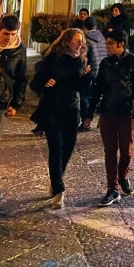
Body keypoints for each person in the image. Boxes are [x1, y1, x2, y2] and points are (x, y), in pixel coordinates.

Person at [30, 29, 91, 209]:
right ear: (66, 42)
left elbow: (81, 89)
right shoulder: (52, 59)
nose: (80, 44)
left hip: (72, 111)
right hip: (52, 109)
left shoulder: (81, 60)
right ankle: (58, 189)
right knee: (56, 148)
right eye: (76, 41)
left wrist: (86, 77)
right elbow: (35, 83)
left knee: (68, 148)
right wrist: (44, 84)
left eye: (82, 41)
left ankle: (56, 178)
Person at [89, 29, 134, 206]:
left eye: (110, 43)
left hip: (126, 112)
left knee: (126, 151)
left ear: (121, 44)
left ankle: (123, 176)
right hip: (107, 112)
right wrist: (89, 113)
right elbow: (98, 88)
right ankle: (112, 188)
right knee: (109, 151)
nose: (107, 46)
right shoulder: (106, 63)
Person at [0, 15, 27, 210]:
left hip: (0, 103)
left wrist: (17, 103)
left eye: (13, 34)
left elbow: (22, 78)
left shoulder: (19, 49)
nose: (9, 38)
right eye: (6, 34)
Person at [80, 17, 107, 130]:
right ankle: (101, 120)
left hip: (90, 71)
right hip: (102, 70)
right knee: (99, 96)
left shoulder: (86, 39)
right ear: (95, 26)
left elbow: (85, 57)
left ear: (84, 27)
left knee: (84, 96)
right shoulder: (103, 38)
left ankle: (86, 122)